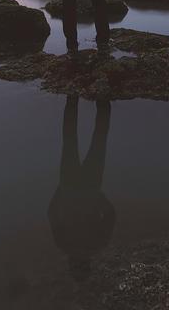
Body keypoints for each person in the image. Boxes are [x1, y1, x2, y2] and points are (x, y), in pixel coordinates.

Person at [48, 94, 115, 281]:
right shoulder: (63, 245)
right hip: (69, 186)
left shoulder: (97, 245)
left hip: (90, 187)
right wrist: (60, 190)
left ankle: (103, 98)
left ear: (89, 265)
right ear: (71, 264)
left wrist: (98, 197)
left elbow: (110, 215)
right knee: (70, 139)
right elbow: (51, 212)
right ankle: (72, 96)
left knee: (99, 138)